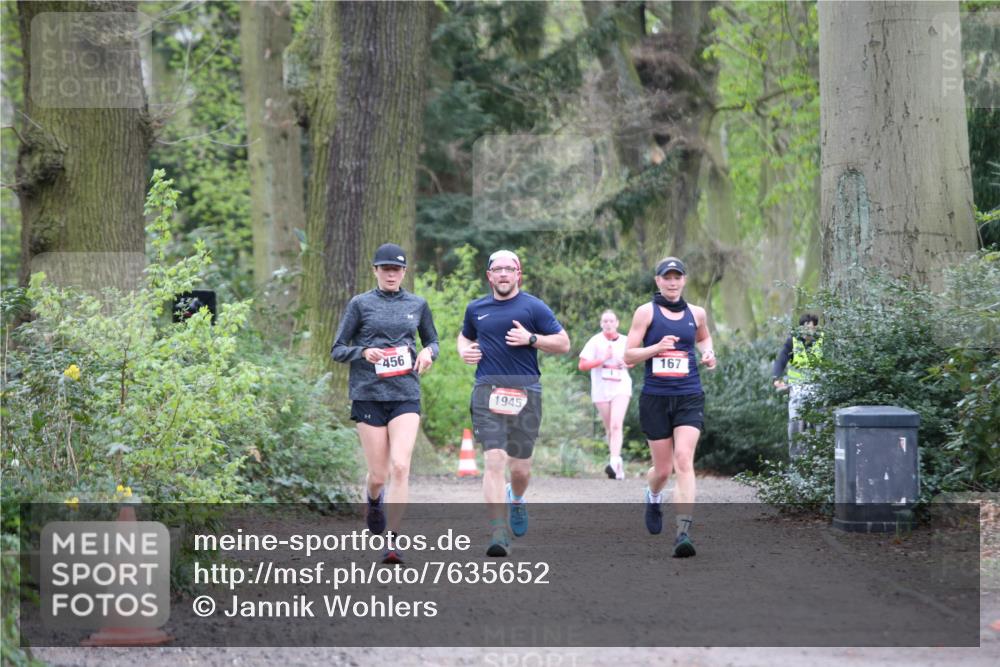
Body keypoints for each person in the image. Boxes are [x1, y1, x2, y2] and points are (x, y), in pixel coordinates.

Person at [457, 250, 570, 557]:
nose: (504, 274)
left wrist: (532, 339)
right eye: (498, 269)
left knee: (520, 470)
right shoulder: (476, 308)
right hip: (487, 391)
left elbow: (564, 343)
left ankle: (516, 499)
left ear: (519, 274)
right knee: (494, 460)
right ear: (489, 276)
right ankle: (497, 529)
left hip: (526, 392)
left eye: (510, 269)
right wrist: (464, 351)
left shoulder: (533, 307)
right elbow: (464, 337)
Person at [331, 243, 439, 565]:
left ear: (404, 272)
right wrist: (363, 352)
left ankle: (393, 541)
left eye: (397, 269)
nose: (391, 274)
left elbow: (432, 340)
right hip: (368, 394)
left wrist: (427, 353)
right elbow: (337, 349)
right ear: (375, 270)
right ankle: (373, 498)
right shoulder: (360, 304)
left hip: (406, 392)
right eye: (385, 268)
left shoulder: (417, 304)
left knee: (401, 466)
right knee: (378, 474)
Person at [625, 257, 716, 558]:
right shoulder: (646, 313)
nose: (673, 282)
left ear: (684, 281)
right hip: (656, 397)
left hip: (689, 394)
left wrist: (709, 354)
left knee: (683, 459)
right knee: (663, 470)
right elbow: (628, 356)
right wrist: (656, 348)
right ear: (658, 281)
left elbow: (703, 338)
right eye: (667, 278)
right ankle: (653, 495)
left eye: (677, 277)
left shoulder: (697, 313)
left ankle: (683, 532)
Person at [579, 310, 633, 480]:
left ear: (617, 322)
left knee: (617, 425)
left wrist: (626, 363)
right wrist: (602, 359)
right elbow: (582, 365)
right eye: (605, 321)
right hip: (601, 388)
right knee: (610, 428)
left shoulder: (626, 341)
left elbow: (634, 360)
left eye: (611, 321)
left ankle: (613, 462)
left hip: (621, 387)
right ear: (601, 324)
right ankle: (617, 464)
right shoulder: (595, 341)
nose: (608, 324)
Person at [772, 313, 822, 459]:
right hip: (797, 390)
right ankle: (795, 464)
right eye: (804, 329)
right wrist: (776, 378)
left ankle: (819, 464)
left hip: (818, 390)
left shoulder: (822, 341)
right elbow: (780, 360)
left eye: (810, 329)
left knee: (819, 429)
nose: (807, 332)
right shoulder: (792, 342)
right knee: (795, 426)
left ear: (815, 328)